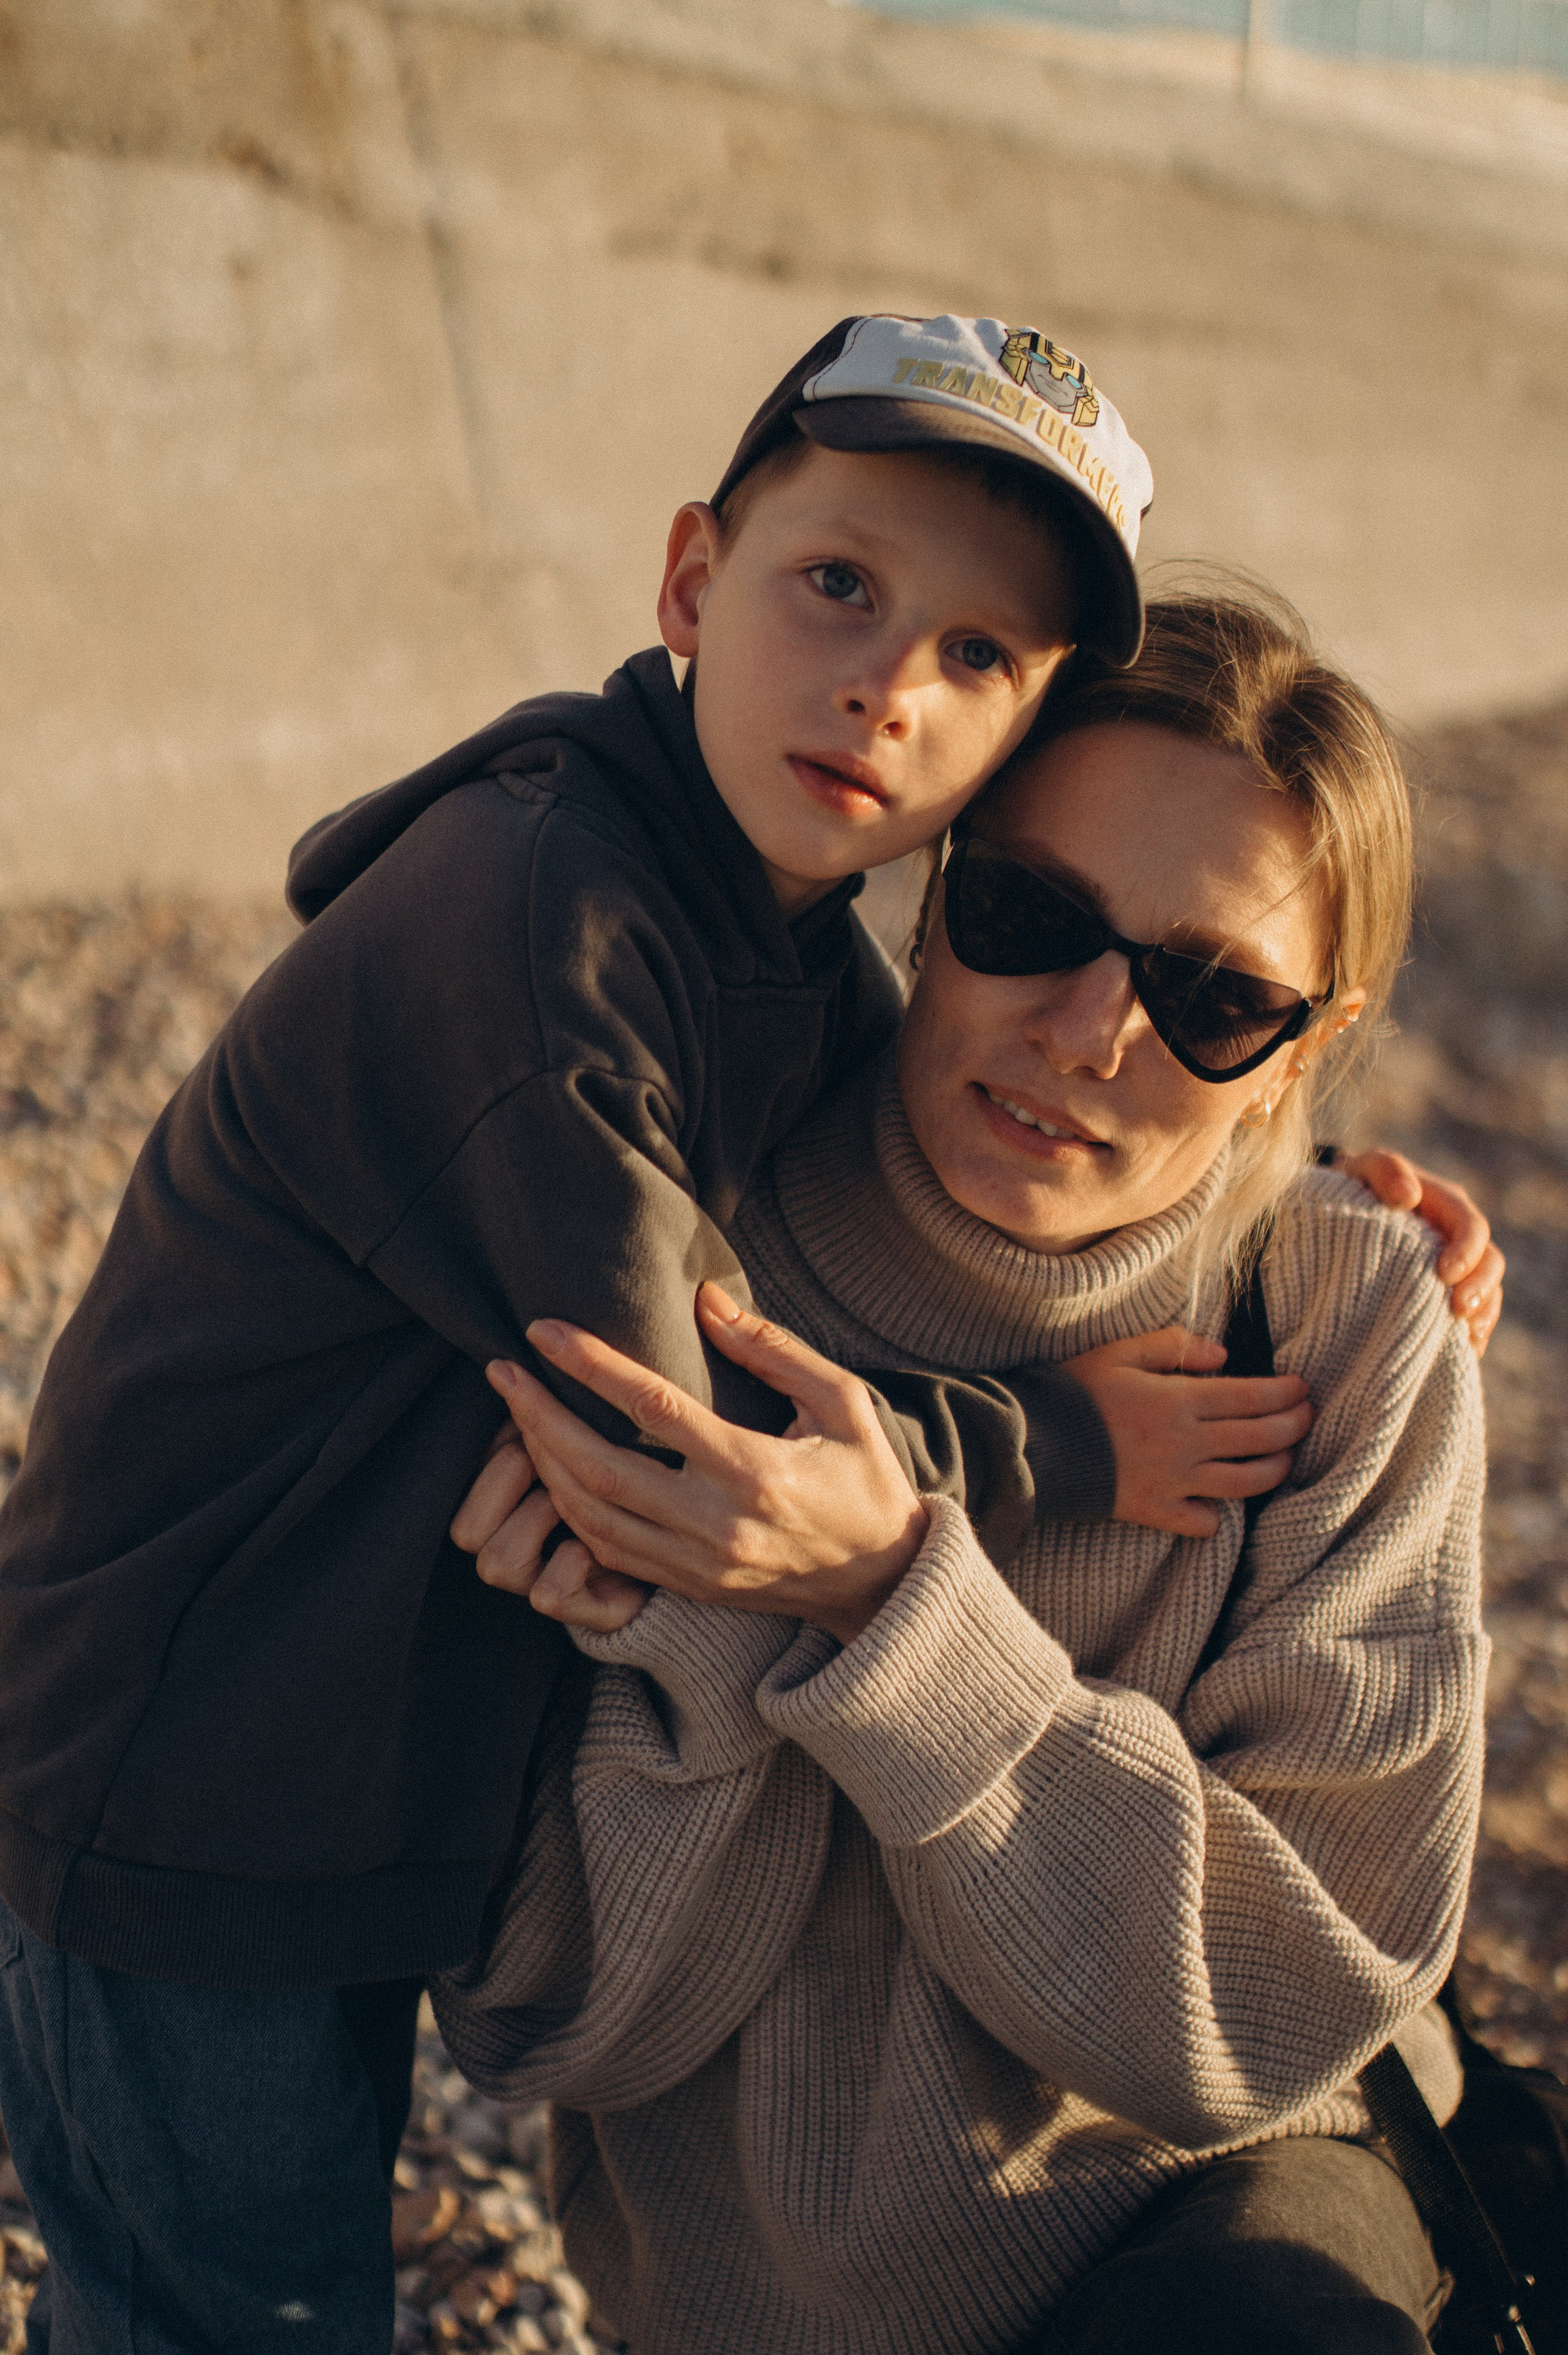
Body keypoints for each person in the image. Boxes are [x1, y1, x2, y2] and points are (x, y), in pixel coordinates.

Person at [437, 592, 1490, 2355]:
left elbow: (1286, 2006)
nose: (1089, 1036)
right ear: (935, 893)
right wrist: (723, 1625)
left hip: (1203, 2233)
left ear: (1308, 1043)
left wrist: (886, 1610)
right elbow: (550, 2026)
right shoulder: (664, 1262)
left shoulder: (1345, 1319)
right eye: (1027, 916)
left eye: (1216, 998)